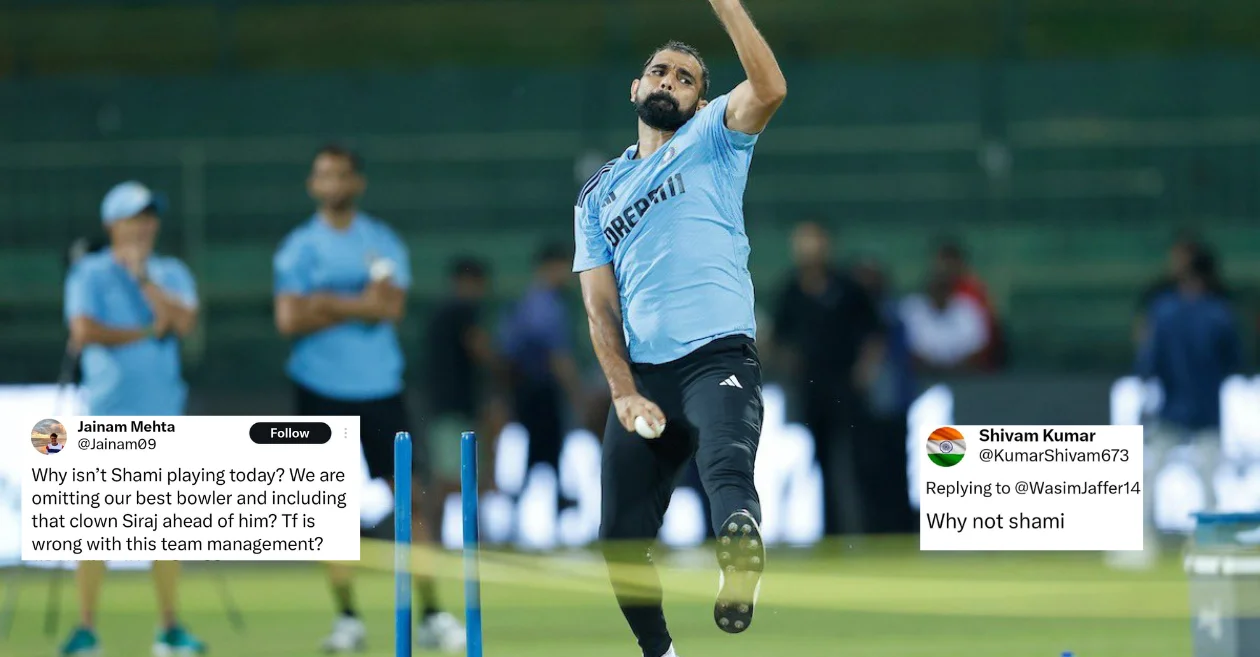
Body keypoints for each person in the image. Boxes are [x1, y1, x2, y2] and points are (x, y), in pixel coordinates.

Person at [571, 1, 786, 654]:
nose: (668, 81)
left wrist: (726, 6)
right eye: (658, 72)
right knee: (619, 541)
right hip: (646, 378)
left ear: (700, 101)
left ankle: (739, 560)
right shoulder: (596, 193)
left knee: (727, 464)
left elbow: (771, 88)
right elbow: (600, 309)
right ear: (635, 90)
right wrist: (622, 391)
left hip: (717, 354)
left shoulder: (715, 140)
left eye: (684, 77)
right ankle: (661, 653)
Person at [272, 144, 466, 653]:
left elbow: (391, 308)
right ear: (313, 185)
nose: (331, 183)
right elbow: (289, 320)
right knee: (324, 511)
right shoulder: (298, 248)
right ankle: (348, 618)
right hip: (316, 389)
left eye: (340, 175)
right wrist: (361, 304)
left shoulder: (380, 241)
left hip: (380, 388)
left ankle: (432, 614)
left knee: (411, 500)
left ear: (356, 182)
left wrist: (325, 302)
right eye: (322, 175)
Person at [60, 180, 205, 656]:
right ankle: (86, 630)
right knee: (93, 529)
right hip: (104, 416)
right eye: (133, 218)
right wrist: (146, 329)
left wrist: (143, 280)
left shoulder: (170, 271)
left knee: (165, 531)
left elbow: (183, 323)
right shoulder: (90, 273)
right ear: (113, 224)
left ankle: (169, 628)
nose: (144, 226)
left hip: (164, 414)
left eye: (149, 217)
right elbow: (85, 330)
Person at [1112, 249, 1242, 570]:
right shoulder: (1219, 314)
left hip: (1172, 409)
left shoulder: (1164, 312)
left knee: (1150, 475)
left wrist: (1146, 384)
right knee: (1210, 479)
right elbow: (1234, 363)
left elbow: (1148, 361)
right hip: (1206, 410)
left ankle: (1140, 543)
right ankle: (1214, 546)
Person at [770, 221, 884, 536]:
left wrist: (865, 370)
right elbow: (779, 338)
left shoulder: (848, 287)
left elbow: (874, 333)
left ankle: (872, 530)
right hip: (811, 388)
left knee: (859, 461)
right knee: (821, 463)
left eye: (814, 240)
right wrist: (787, 361)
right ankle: (831, 532)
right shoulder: (791, 289)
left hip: (847, 387)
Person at [425, 256, 503, 525]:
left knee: (454, 478)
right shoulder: (462, 310)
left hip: (447, 404)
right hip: (455, 406)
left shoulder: (441, 313)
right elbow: (481, 349)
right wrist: (505, 367)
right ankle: (432, 536)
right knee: (451, 479)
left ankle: (440, 536)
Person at [497, 244, 585, 486]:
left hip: (525, 389)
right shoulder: (546, 305)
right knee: (544, 455)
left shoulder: (526, 301)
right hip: (539, 391)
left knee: (534, 455)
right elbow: (557, 356)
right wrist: (577, 395)